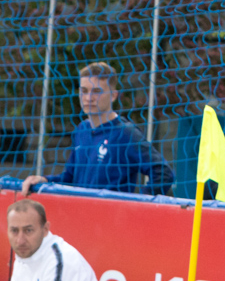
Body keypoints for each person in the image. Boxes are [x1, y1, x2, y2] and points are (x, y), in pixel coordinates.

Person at [22, 62, 173, 196]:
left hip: (111, 221)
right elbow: (70, 178)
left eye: (97, 91)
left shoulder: (125, 133)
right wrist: (44, 179)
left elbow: (163, 173)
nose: (89, 98)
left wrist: (138, 203)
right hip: (82, 216)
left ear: (113, 95)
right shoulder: (82, 130)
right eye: (84, 91)